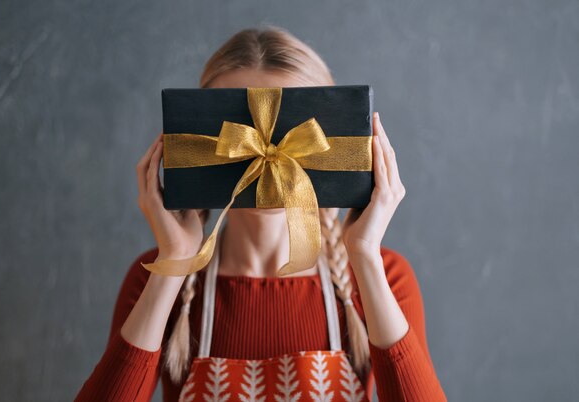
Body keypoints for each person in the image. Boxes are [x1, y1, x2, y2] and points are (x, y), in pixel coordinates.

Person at [74, 26, 447, 402]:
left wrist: (365, 256)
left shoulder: (383, 275)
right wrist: (175, 261)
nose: (267, 156)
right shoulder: (158, 276)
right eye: (241, 130)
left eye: (290, 130)